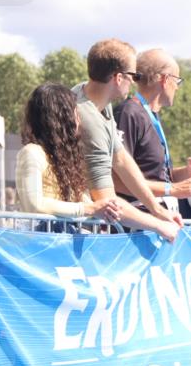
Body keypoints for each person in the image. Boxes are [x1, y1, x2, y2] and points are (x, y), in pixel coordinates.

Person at [16, 83, 179, 241]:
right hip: (41, 243)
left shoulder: (66, 160)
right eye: (75, 111)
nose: (79, 118)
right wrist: (89, 209)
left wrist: (156, 224)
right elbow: (34, 204)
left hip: (64, 241)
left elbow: (94, 204)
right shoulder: (32, 152)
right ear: (62, 117)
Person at [72, 39, 181, 231]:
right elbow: (108, 201)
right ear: (119, 77)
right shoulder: (90, 122)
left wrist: (156, 209)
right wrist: (161, 226)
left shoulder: (91, 96)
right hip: (68, 225)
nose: (134, 81)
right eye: (133, 75)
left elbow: (121, 159)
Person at [112, 48, 191, 209]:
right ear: (165, 79)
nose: (177, 88)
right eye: (177, 81)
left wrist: (187, 172)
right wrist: (172, 189)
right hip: (136, 223)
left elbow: (157, 178)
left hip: (159, 218)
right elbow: (116, 180)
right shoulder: (128, 113)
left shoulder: (150, 114)